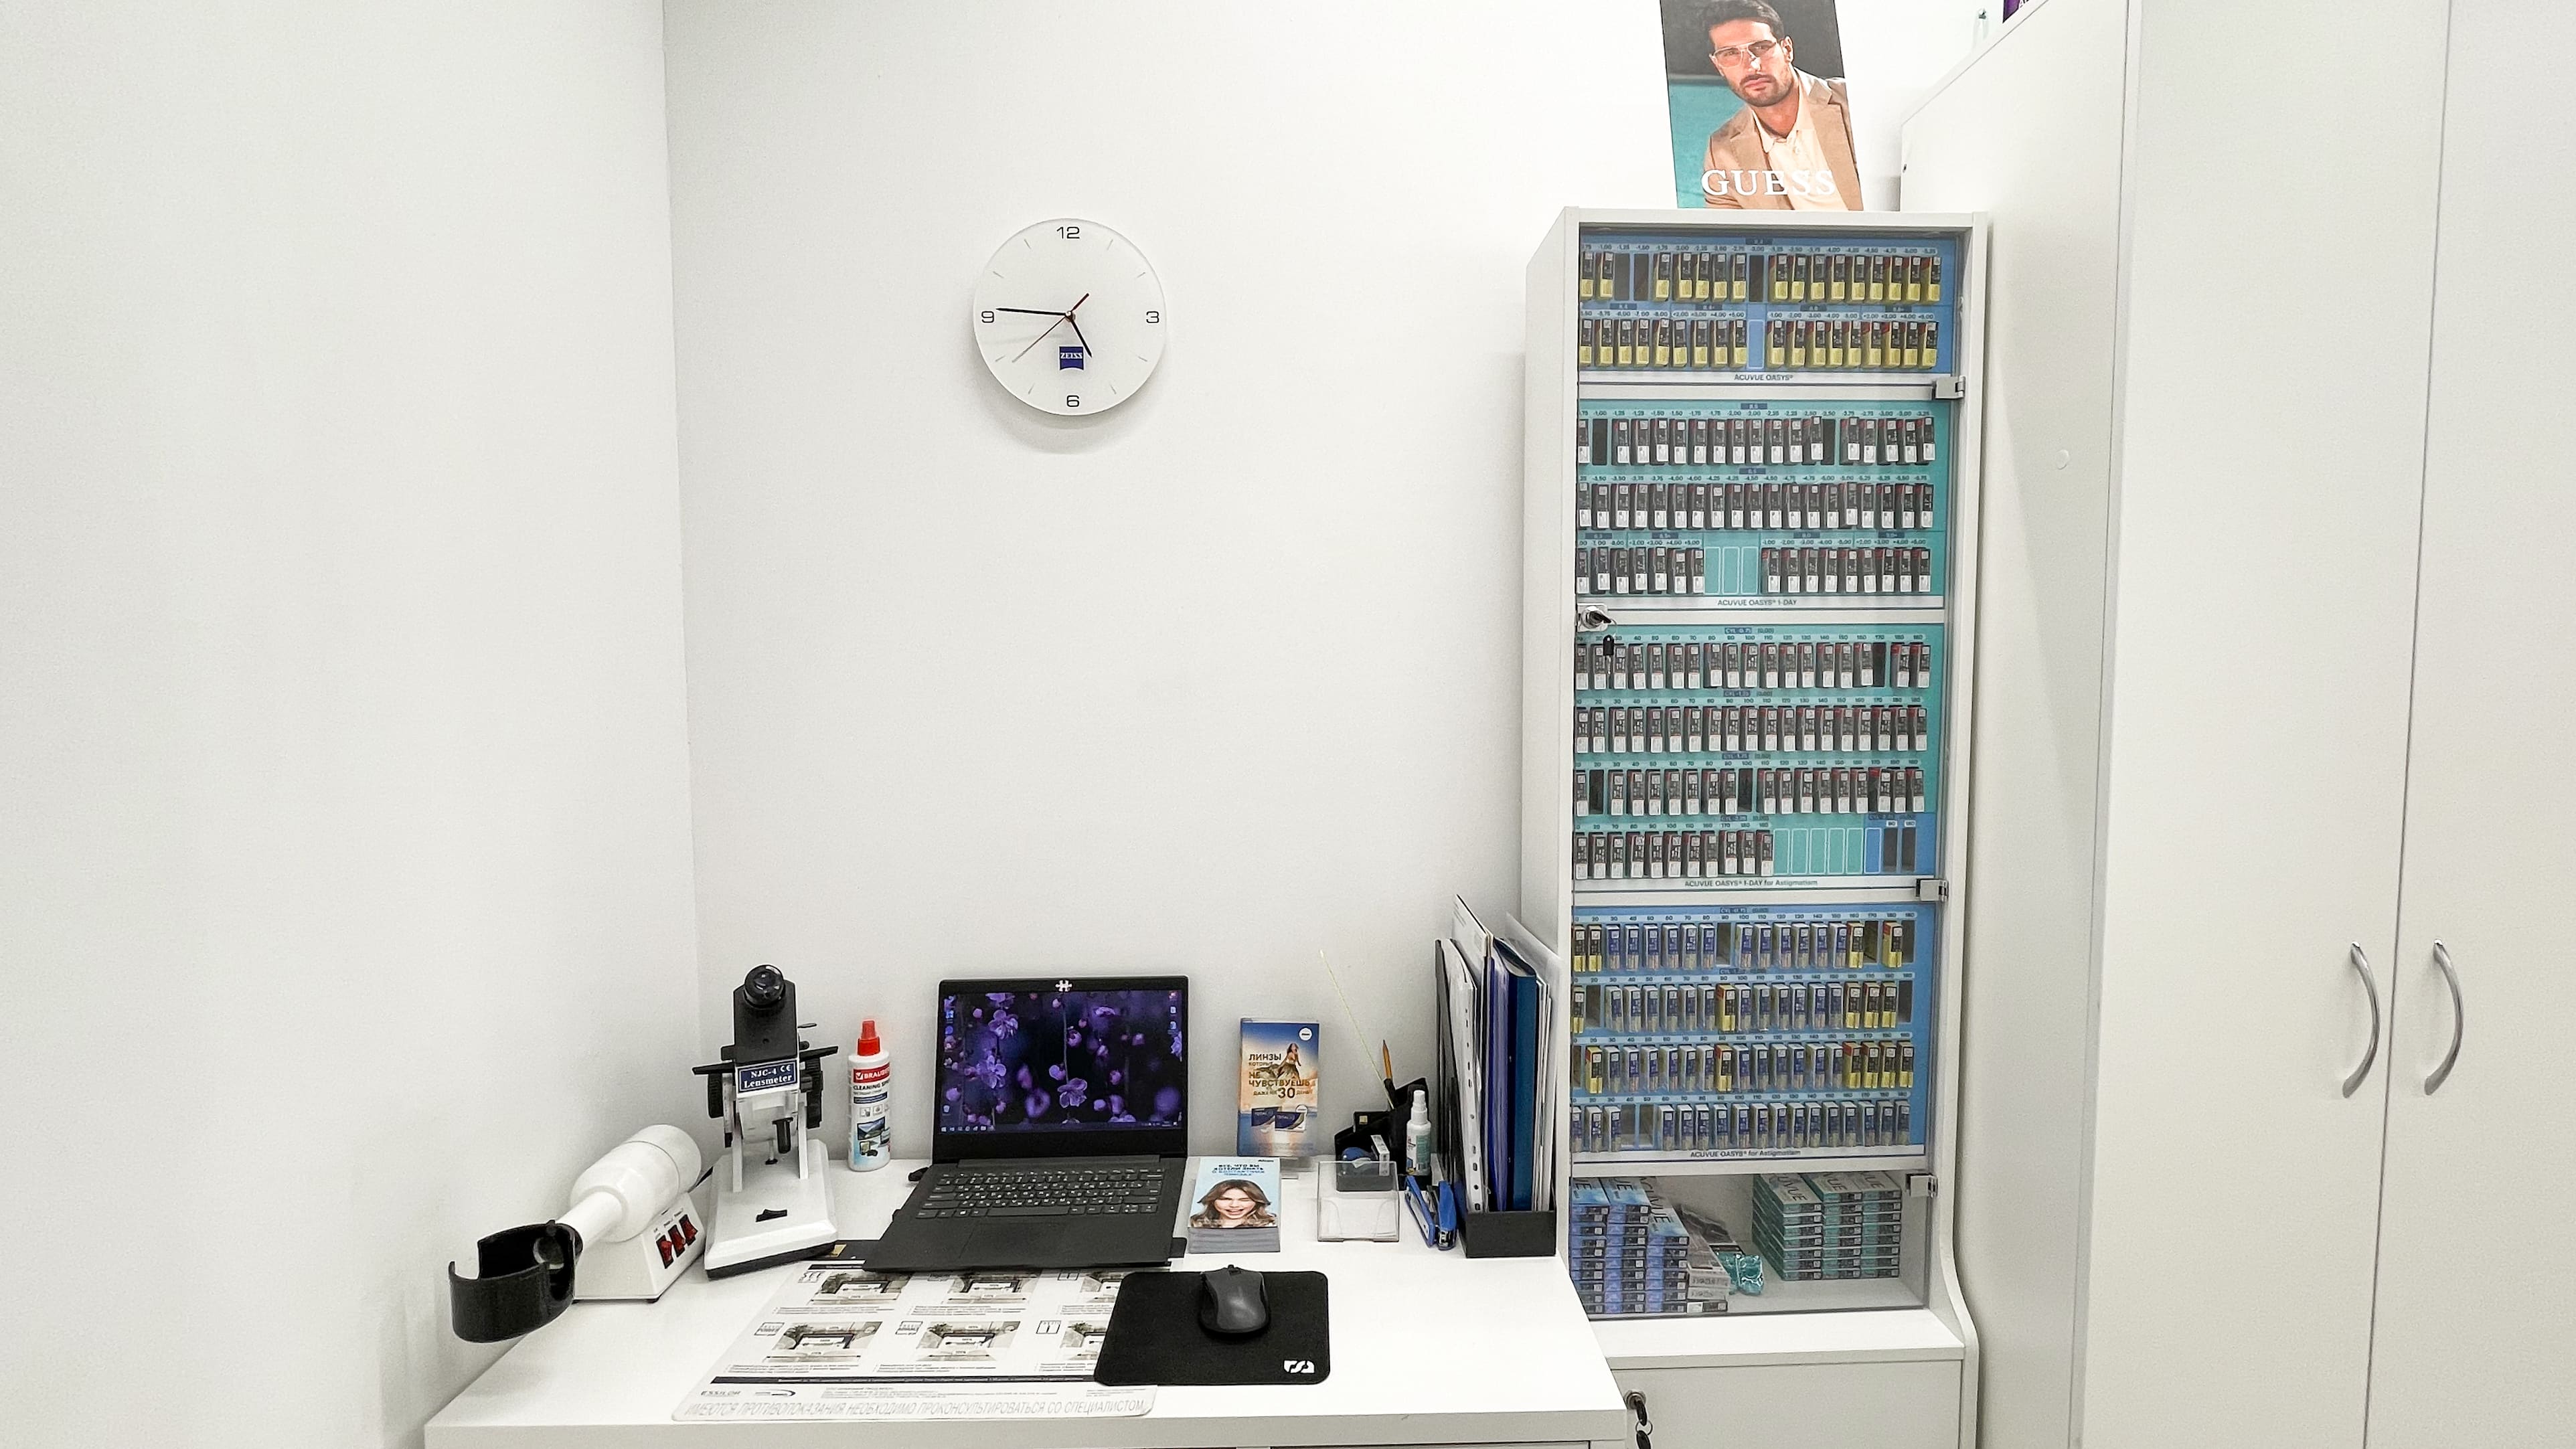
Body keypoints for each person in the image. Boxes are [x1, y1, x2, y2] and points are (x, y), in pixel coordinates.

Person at [1695, 0, 1862, 210]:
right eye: (1730, 53)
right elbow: (1728, 228)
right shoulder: (1722, 152)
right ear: (1718, 65)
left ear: (1787, 50)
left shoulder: (1855, 104)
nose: (1752, 65)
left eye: (1761, 48)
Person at [1190, 1178, 1277, 1229]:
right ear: (1212, 1201)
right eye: (1226, 1199)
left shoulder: (1270, 1225)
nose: (1234, 1205)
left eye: (1244, 1200)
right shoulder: (1197, 1224)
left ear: (1257, 1202)